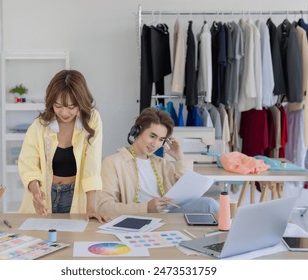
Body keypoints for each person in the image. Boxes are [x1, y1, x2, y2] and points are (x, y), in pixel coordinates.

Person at [18, 69, 110, 222]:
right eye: (58, 106)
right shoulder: (39, 125)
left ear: (81, 102)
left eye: (71, 107)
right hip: (45, 195)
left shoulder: (92, 121)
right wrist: (35, 193)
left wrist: (91, 208)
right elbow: (28, 165)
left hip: (75, 195)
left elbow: (92, 166)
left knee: (74, 241)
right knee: (42, 242)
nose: (64, 112)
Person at [96, 107, 219, 214]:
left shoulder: (162, 164)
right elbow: (105, 207)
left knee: (210, 204)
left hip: (166, 216)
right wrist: (146, 208)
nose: (155, 144)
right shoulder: (112, 162)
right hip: (137, 218)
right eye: (152, 136)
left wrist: (179, 158)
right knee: (210, 205)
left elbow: (190, 196)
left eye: (161, 140)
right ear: (137, 131)